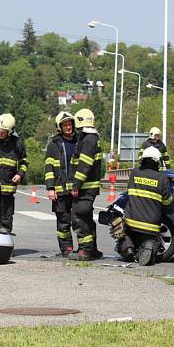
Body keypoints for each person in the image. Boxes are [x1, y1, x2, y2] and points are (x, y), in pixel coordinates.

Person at [118, 146, 172, 266]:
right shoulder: (162, 178)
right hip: (152, 225)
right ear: (158, 162)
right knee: (151, 240)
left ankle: (128, 248)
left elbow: (129, 193)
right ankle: (150, 246)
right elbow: (167, 202)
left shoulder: (134, 173)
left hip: (132, 221)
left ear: (142, 160)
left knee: (121, 232)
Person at [70, 108, 104, 260]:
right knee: (87, 218)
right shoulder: (90, 138)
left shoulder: (88, 140)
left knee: (80, 216)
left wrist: (76, 185)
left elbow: (84, 165)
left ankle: (85, 250)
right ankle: (92, 249)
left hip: (85, 187)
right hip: (88, 186)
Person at [45, 111, 79, 257]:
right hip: (60, 190)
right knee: (63, 220)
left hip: (77, 190)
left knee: (79, 219)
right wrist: (50, 188)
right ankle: (66, 248)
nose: (68, 127)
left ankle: (83, 248)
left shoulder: (79, 142)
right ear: (60, 127)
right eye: (65, 125)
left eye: (70, 124)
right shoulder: (54, 145)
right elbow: (49, 167)